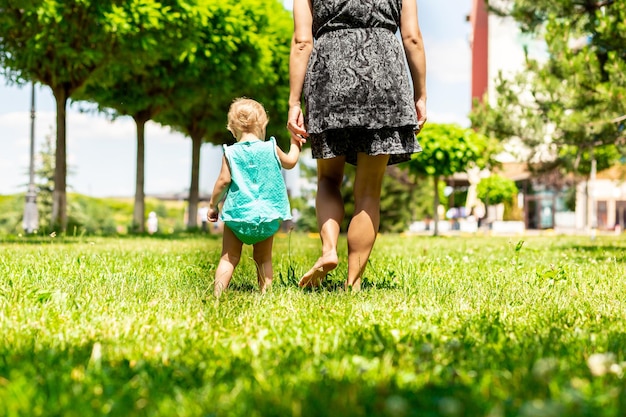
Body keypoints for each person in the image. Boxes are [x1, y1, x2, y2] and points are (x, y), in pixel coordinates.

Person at [287, 0, 427, 291]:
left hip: (330, 75)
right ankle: (354, 283)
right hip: (385, 76)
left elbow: (302, 41)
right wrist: (421, 94)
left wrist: (294, 102)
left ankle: (328, 250)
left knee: (328, 179)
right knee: (368, 190)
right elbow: (412, 37)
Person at [208, 98, 303, 297]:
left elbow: (223, 181)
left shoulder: (231, 152)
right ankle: (266, 295)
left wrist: (212, 205)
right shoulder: (271, 148)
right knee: (263, 259)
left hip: (238, 216)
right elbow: (291, 161)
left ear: (233, 128)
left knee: (229, 258)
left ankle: (217, 294)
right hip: (267, 217)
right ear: (262, 124)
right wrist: (295, 141)